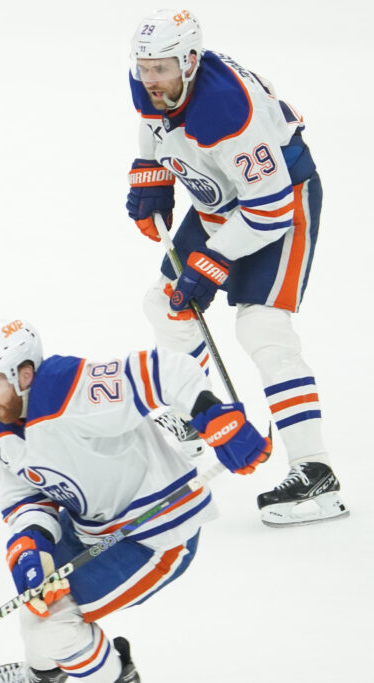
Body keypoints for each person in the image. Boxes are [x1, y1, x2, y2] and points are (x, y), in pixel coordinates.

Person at [125, 9, 348, 527]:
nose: (151, 79)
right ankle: (196, 420)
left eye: (162, 68)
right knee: (165, 304)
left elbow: (269, 210)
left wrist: (213, 261)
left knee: (262, 325)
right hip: (222, 201)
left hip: (280, 204)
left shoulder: (227, 111)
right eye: (144, 66)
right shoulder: (157, 84)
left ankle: (316, 472)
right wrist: (151, 173)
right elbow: (154, 122)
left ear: (190, 61)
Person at [0, 319, 271, 683]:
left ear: (25, 375)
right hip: (89, 528)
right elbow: (27, 499)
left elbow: (165, 370)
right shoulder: (4, 429)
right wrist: (31, 547)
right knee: (37, 607)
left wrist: (216, 417)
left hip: (154, 535)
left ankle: (117, 677)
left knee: (53, 627)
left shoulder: (69, 388)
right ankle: (43, 676)